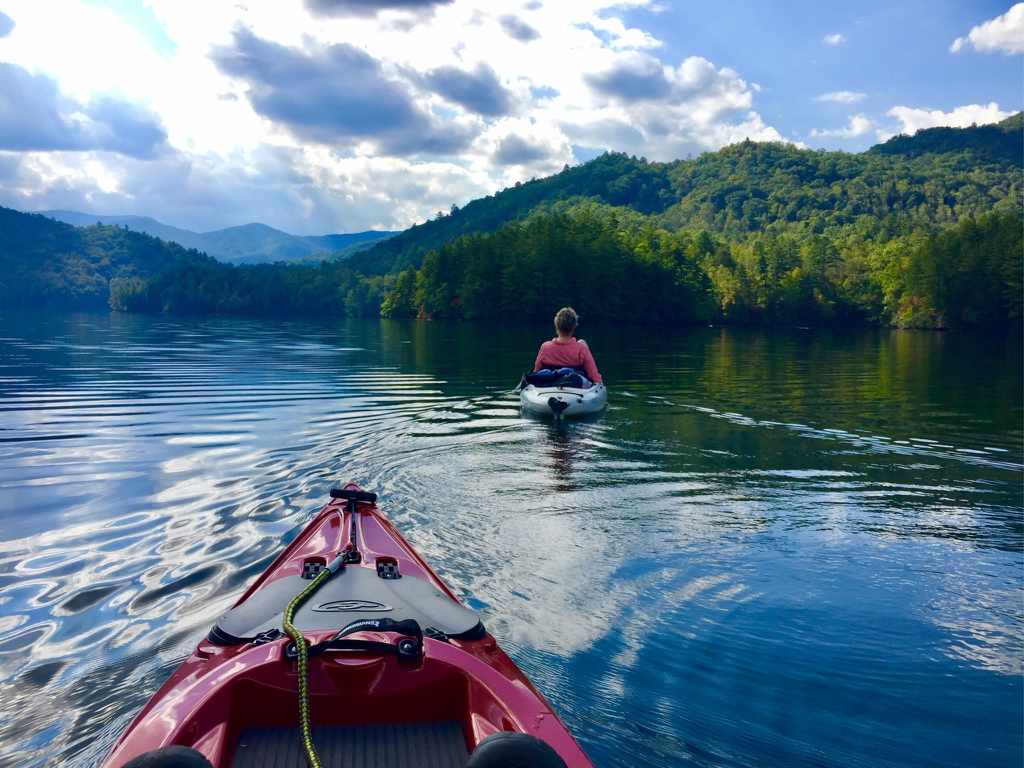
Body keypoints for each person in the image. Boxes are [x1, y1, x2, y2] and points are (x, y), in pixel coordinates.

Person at [532, 307, 602, 385]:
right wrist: (599, 383)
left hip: (550, 384)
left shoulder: (545, 347)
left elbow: (536, 372)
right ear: (574, 326)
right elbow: (594, 376)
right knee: (582, 342)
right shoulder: (581, 348)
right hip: (574, 385)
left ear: (556, 325)